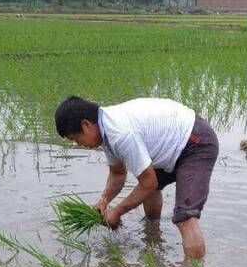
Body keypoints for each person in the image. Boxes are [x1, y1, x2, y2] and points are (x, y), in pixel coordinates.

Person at [54, 96, 218, 258]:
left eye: (75, 139)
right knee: (150, 188)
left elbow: (148, 183)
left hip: (195, 142)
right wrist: (104, 200)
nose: (78, 144)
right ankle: (153, 234)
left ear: (86, 125)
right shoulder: (105, 131)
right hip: (175, 141)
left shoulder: (119, 132)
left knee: (185, 217)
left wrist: (117, 212)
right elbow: (117, 174)